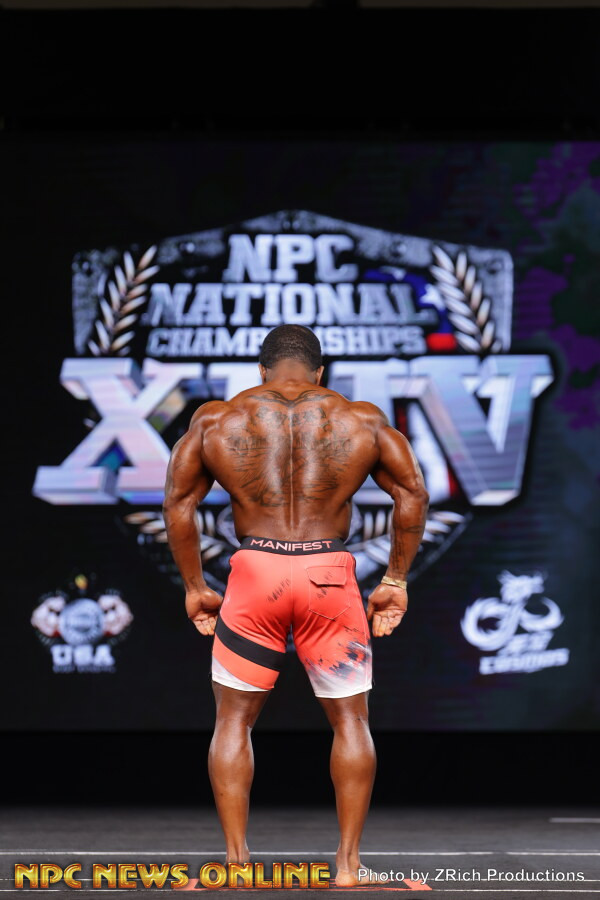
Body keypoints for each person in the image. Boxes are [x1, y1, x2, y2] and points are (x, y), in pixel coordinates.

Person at [163, 324, 429, 886]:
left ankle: (236, 867)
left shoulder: (216, 419)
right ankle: (348, 868)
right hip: (327, 575)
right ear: (320, 372)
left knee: (233, 721)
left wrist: (194, 587)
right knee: (351, 721)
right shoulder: (361, 419)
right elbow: (412, 493)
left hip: (255, 573)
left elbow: (178, 503)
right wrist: (396, 579)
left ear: (261, 370)